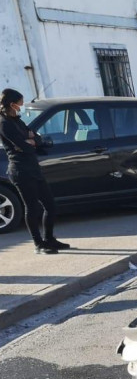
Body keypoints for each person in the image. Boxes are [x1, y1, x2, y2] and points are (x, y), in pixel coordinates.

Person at [0, 88, 69, 254]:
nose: (22, 107)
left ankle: (49, 239)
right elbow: (24, 147)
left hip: (33, 168)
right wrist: (29, 141)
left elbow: (37, 139)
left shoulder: (17, 120)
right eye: (21, 104)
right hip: (20, 170)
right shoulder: (4, 124)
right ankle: (39, 244)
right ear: (12, 104)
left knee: (50, 205)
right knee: (31, 207)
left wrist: (32, 140)